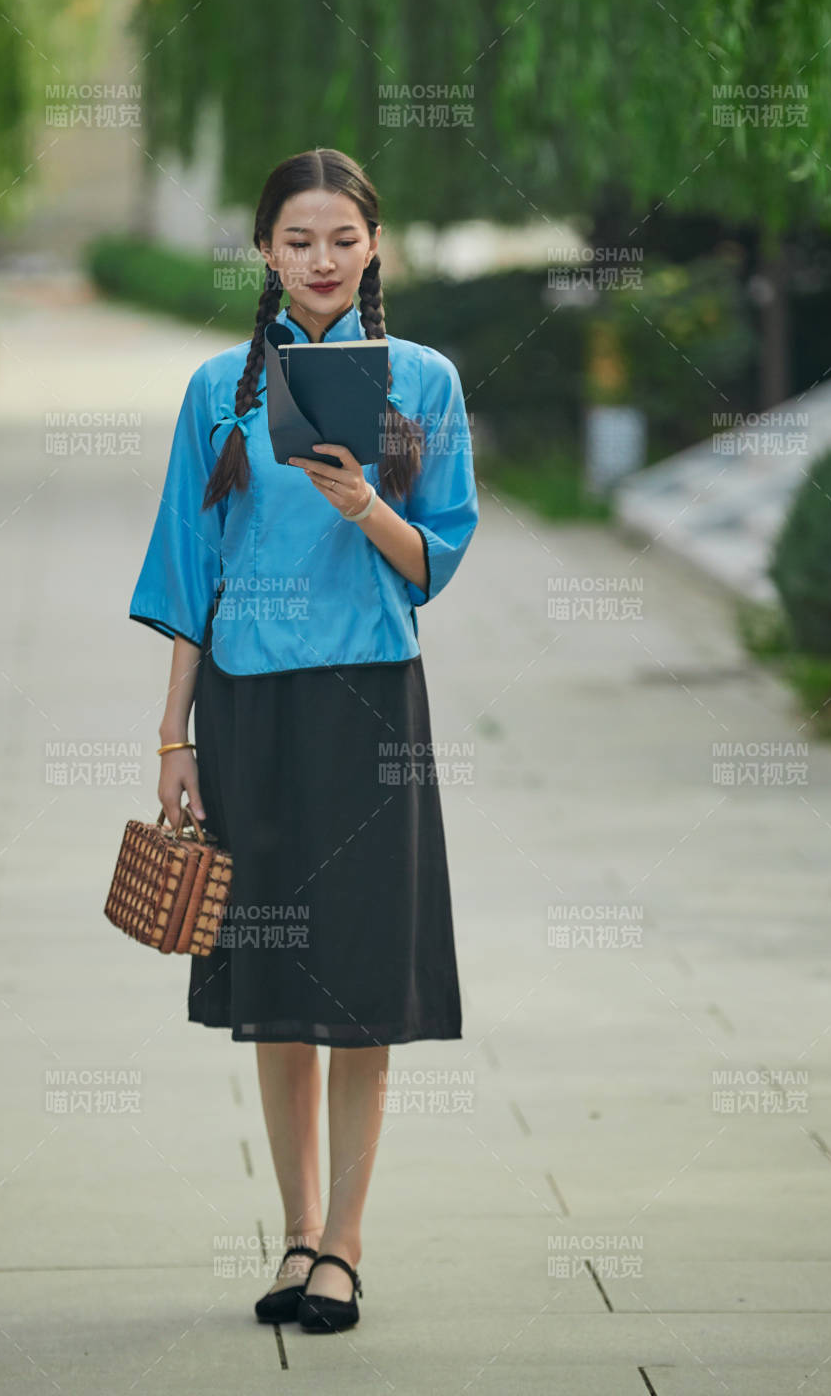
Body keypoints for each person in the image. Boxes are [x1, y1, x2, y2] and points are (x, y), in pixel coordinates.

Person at [129, 147, 479, 1332]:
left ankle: (345, 1244)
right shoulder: (214, 390)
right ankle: (292, 1233)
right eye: (297, 240)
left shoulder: (423, 382)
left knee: (361, 978)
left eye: (341, 238)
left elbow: (433, 561)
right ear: (264, 253)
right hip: (247, 705)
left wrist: (366, 503)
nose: (320, 259)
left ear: (373, 245)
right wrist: (171, 737)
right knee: (276, 982)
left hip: (370, 702)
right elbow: (189, 567)